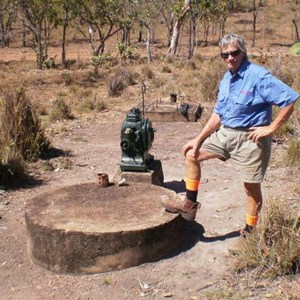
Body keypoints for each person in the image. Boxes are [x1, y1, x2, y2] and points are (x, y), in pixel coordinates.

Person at [162, 33, 299, 234]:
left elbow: (289, 100)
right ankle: (190, 205)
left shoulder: (258, 76)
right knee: (192, 154)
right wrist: (198, 139)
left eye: (234, 53)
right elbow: (218, 113)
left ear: (243, 52)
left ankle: (250, 231)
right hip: (225, 134)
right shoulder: (226, 79)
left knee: (250, 189)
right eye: (224, 55)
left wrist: (270, 128)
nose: (229, 58)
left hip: (250, 140)